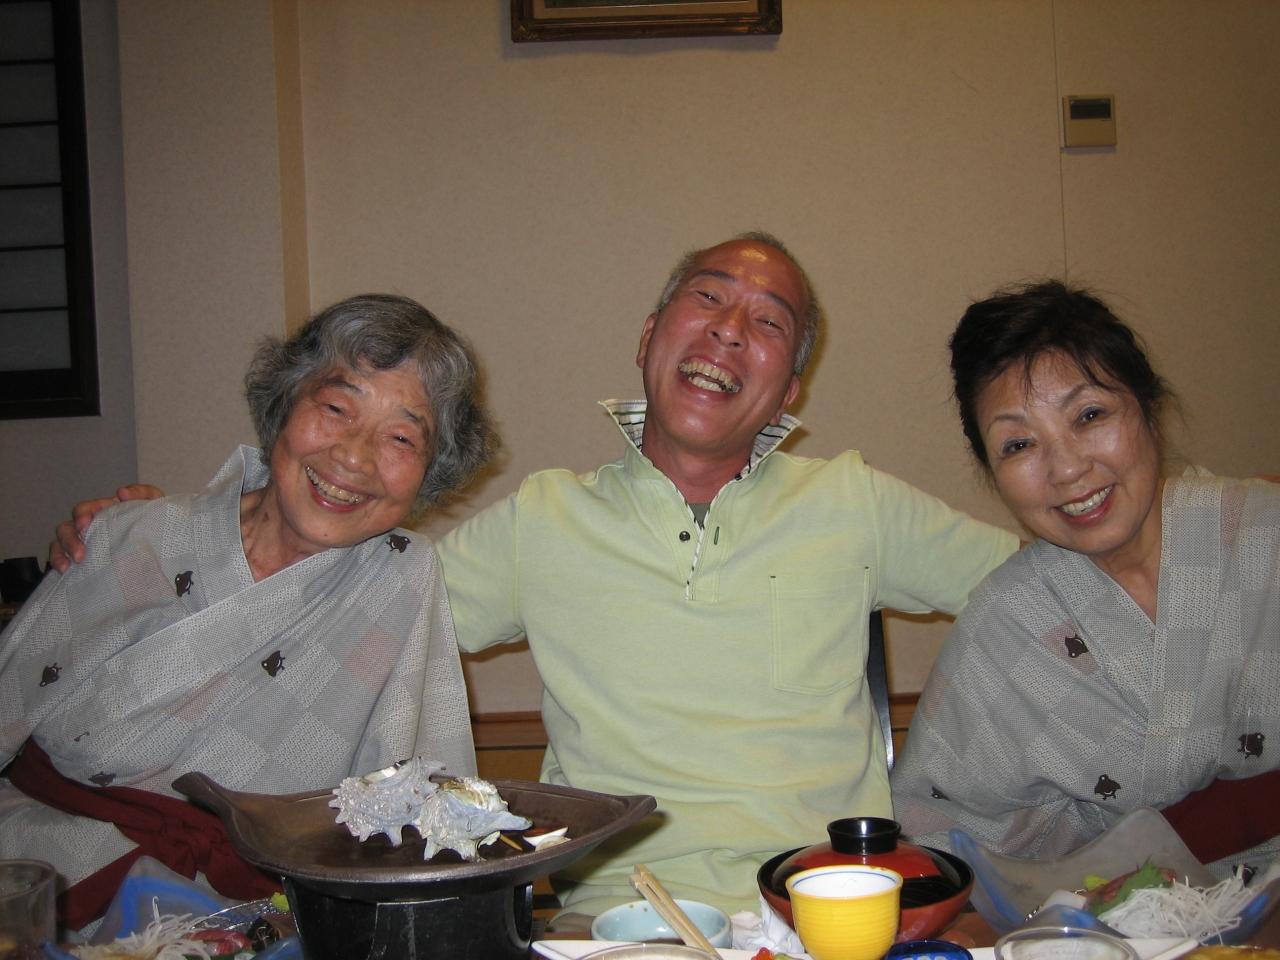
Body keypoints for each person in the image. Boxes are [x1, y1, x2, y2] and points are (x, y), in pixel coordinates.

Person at [51, 233, 1020, 917]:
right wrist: (182, 539)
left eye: (767, 321)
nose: (729, 328)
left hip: (834, 910)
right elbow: (344, 596)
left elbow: (1044, 592)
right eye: (707, 298)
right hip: (621, 923)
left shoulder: (854, 501)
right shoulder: (546, 518)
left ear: (789, 388)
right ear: (648, 335)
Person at [5, 293, 495, 929]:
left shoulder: (401, 580)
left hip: (247, 923)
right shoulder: (133, 538)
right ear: (283, 407)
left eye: (401, 436)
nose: (354, 455)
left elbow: (420, 792)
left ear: (430, 473)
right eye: (336, 408)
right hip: (38, 886)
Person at [890, 280, 1280, 876]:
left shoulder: (1264, 536)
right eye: (1019, 444)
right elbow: (935, 833)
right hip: (1115, 913)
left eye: (1090, 415)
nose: (1068, 469)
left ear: (1149, 408)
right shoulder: (1005, 626)